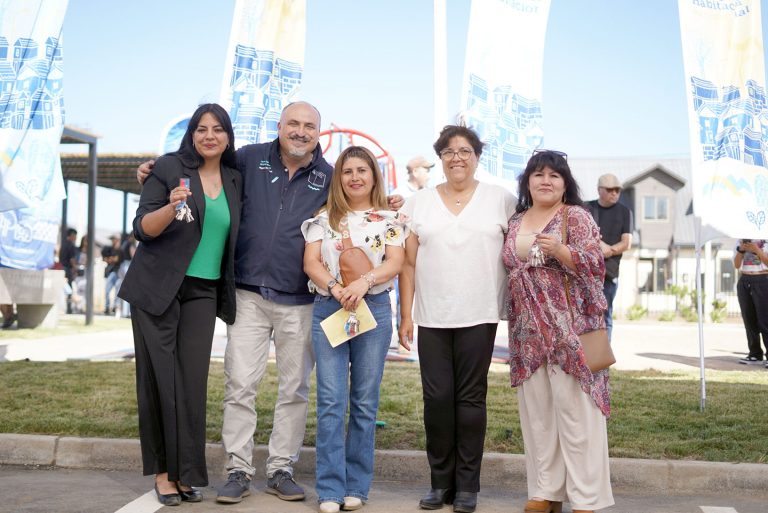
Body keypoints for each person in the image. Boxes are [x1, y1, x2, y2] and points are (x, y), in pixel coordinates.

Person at [137, 101, 405, 504]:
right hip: (246, 294)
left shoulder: (329, 177)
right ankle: (238, 470)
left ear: (318, 133)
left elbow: (359, 210)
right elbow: (202, 163)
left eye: (308, 126)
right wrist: (158, 170)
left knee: (294, 389)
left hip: (300, 299)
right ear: (279, 126)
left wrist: (393, 205)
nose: (300, 131)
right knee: (240, 384)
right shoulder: (247, 158)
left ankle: (281, 467)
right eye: (292, 124)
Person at [118, 103, 242, 506]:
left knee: (191, 384)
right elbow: (141, 229)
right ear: (191, 134)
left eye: (218, 129)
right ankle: (163, 473)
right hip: (157, 289)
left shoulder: (235, 178)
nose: (210, 135)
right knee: (159, 382)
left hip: (203, 292)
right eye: (201, 129)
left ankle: (188, 473)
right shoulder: (170, 168)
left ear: (228, 136)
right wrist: (171, 207)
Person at [399, 125, 516, 513]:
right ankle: (439, 483)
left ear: (477, 156)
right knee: (436, 400)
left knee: (470, 400)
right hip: (431, 315)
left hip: (479, 313)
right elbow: (408, 264)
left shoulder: (501, 200)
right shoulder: (419, 204)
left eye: (464, 150)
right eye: (448, 152)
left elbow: (522, 247)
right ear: (440, 159)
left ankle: (467, 486)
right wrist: (406, 316)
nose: (456, 158)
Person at [503, 150, 613, 513]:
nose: (545, 180)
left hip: (572, 331)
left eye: (554, 175)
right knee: (539, 418)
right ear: (527, 182)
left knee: (577, 416)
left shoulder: (575, 216)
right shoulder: (517, 219)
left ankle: (586, 497)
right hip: (528, 334)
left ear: (566, 183)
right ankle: (545, 491)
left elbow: (596, 264)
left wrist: (562, 250)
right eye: (538, 174)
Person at [302, 146, 408, 513]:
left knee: (364, 401)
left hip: (373, 307)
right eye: (347, 171)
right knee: (331, 401)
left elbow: (395, 262)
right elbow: (311, 262)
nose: (355, 177)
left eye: (363, 170)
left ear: (374, 176)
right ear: (339, 177)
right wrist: (336, 288)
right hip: (330, 307)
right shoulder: (323, 218)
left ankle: (357, 487)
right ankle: (330, 489)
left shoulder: (389, 219)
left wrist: (363, 282)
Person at [586, 174, 632, 341]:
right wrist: (599, 245)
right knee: (583, 315)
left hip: (609, 273)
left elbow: (627, 243)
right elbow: (580, 235)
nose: (615, 193)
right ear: (600, 190)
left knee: (605, 316)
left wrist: (609, 250)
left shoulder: (624, 212)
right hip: (586, 272)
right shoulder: (587, 208)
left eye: (617, 190)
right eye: (610, 190)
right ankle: (583, 359)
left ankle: (602, 360)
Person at [734, 239, 768, 366]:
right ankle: (754, 354)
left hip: (763, 278)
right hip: (745, 279)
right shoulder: (741, 240)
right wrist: (741, 250)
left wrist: (757, 250)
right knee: (749, 320)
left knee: (765, 320)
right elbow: (737, 265)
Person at [59, 228, 78, 314]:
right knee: (68, 289)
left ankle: (66, 308)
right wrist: (75, 268)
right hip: (67, 269)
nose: (75, 238)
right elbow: (72, 259)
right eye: (75, 236)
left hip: (61, 268)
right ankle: (68, 308)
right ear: (71, 236)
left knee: (64, 288)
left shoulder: (63, 245)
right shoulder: (71, 245)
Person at [101, 235, 122, 314]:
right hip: (111, 272)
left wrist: (110, 259)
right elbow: (105, 259)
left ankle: (114, 308)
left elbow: (115, 260)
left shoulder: (120, 250)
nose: (113, 241)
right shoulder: (110, 249)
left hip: (118, 273)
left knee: (117, 292)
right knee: (107, 290)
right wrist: (109, 259)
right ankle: (107, 307)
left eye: (114, 240)